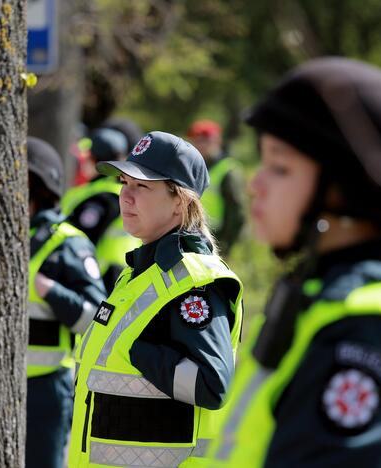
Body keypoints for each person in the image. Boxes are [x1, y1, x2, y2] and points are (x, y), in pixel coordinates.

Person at [206, 58, 381, 467]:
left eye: (280, 167)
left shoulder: (373, 336)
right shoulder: (324, 297)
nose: (256, 184)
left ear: (345, 190)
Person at [68, 131, 244, 467]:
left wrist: (136, 351)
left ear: (180, 201)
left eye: (141, 186)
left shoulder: (196, 282)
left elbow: (212, 384)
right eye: (124, 183)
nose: (125, 196)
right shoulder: (138, 272)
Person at [25, 137, 107, 468]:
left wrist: (50, 291)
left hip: (44, 389)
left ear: (40, 186)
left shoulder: (68, 245)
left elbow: (99, 320)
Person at [62, 127, 141, 292]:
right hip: (122, 272)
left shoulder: (103, 197)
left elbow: (81, 238)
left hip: (101, 276)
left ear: (93, 159)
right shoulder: (116, 191)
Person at [187, 119, 245, 254]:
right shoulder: (193, 168)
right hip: (196, 237)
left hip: (218, 241)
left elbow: (237, 214)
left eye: (204, 140)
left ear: (217, 141)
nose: (199, 145)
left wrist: (227, 245)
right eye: (196, 140)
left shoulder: (228, 169)